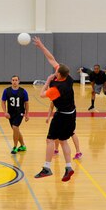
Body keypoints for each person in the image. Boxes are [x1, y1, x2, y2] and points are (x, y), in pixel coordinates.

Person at [32, 36, 76, 182]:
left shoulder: (56, 88)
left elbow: (42, 94)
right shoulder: (68, 78)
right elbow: (51, 58)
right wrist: (41, 46)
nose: (55, 71)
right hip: (72, 114)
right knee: (63, 141)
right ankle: (68, 167)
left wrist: (48, 81)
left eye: (56, 72)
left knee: (50, 140)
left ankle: (47, 168)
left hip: (61, 116)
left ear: (59, 75)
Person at [1, 76, 30, 154]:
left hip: (20, 112)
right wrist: (5, 112)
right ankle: (23, 145)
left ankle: (15, 147)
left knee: (15, 127)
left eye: (16, 80)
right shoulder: (6, 91)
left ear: (19, 81)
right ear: (11, 81)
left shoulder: (23, 91)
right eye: (13, 80)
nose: (14, 82)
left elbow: (26, 103)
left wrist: (27, 114)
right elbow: (3, 102)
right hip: (11, 113)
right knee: (15, 129)